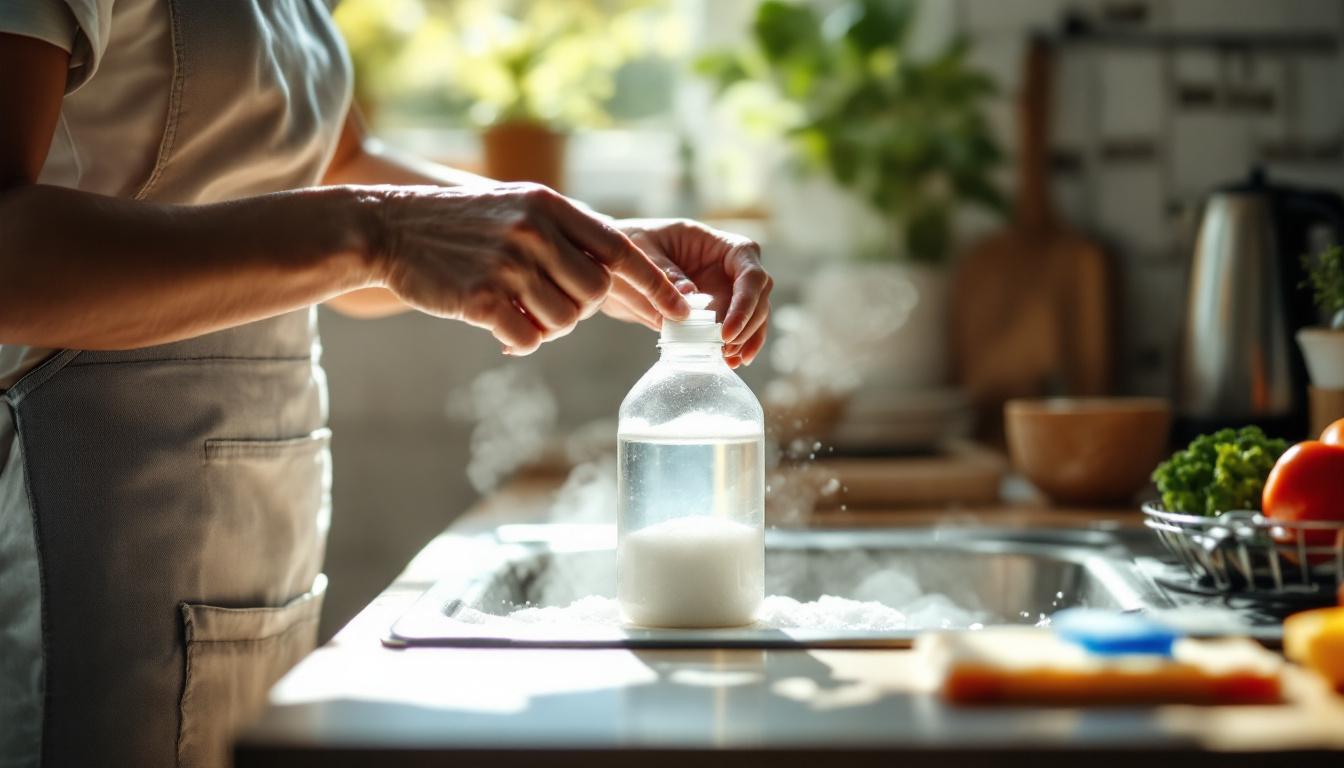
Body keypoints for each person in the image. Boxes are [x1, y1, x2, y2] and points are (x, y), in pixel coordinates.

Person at [0, 2, 772, 766]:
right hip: (86, 538)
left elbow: (337, 169)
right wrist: (381, 231)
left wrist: (598, 246)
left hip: (252, 544)